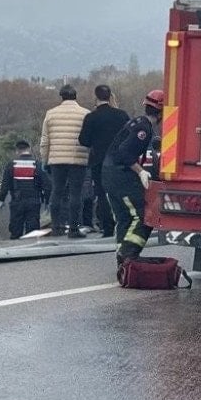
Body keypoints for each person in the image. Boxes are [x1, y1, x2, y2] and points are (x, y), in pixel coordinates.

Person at [103, 89, 165, 269]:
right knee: (143, 216)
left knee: (124, 218)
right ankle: (128, 254)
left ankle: (122, 260)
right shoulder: (144, 129)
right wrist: (140, 172)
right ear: (162, 112)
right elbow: (124, 153)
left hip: (110, 174)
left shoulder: (137, 122)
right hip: (121, 176)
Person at [78, 84, 130, 237]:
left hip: (98, 161)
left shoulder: (91, 117)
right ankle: (124, 225)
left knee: (102, 194)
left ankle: (107, 227)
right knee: (120, 193)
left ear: (96, 97)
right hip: (119, 161)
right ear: (110, 96)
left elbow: (83, 140)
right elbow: (130, 136)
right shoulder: (122, 115)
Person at [40, 84, 90, 238]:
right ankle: (74, 229)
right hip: (78, 159)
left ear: (61, 97)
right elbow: (89, 138)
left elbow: (45, 140)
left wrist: (45, 160)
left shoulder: (51, 114)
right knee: (76, 193)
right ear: (75, 96)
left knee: (57, 191)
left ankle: (56, 227)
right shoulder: (85, 114)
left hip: (57, 160)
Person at [0, 140, 51, 239]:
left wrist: (2, 199)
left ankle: (16, 246)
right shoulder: (37, 164)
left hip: (17, 202)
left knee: (15, 230)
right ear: (29, 149)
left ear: (17, 151)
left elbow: (5, 184)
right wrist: (47, 201)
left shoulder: (11, 165)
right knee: (32, 232)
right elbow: (47, 185)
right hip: (34, 201)